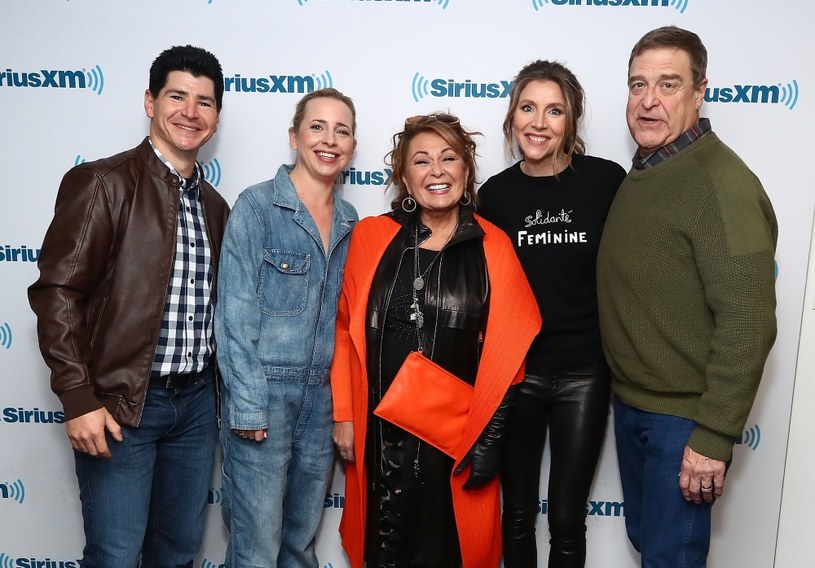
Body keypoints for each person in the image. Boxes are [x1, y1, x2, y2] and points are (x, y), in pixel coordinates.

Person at [28, 45, 228, 566]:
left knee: (178, 551)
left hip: (196, 408)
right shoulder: (103, 183)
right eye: (177, 96)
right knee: (116, 554)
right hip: (121, 406)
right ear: (149, 101)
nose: (190, 111)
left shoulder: (215, 206)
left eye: (204, 102)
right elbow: (57, 293)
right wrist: (77, 397)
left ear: (216, 118)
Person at [597, 26, 778, 567]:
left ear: (700, 92)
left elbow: (749, 321)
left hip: (683, 422)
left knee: (670, 560)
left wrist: (714, 436)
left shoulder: (723, 184)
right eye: (638, 84)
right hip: (634, 405)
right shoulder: (652, 169)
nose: (648, 100)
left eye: (668, 84)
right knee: (650, 547)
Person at [331, 112, 541, 568]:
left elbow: (511, 353)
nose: (437, 171)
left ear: (466, 171)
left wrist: (489, 441)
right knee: (383, 548)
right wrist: (345, 415)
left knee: (451, 549)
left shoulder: (493, 247)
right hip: (380, 434)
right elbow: (345, 332)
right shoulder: (372, 236)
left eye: (449, 158)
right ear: (404, 177)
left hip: (454, 442)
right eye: (421, 161)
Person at [478, 60, 626, 567]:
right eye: (528, 108)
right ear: (512, 117)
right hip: (518, 374)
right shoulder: (494, 196)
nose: (539, 122)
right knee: (515, 512)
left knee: (566, 517)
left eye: (554, 110)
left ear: (572, 121)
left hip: (585, 373)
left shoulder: (606, 182)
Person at [215, 88, 359, 567]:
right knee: (256, 550)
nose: (329, 139)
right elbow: (233, 317)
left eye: (342, 130)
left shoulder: (351, 222)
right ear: (294, 136)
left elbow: (345, 325)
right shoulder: (256, 208)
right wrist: (250, 406)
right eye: (317, 126)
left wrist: (343, 406)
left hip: (320, 404)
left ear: (353, 146)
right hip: (264, 400)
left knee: (299, 545)